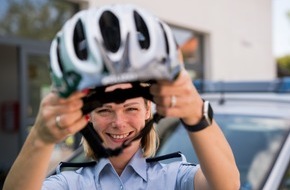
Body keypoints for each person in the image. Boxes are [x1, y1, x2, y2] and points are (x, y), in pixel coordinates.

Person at [3, 4, 240, 190]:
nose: (118, 122)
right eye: (104, 110)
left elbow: (227, 186)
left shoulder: (175, 176)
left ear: (149, 111)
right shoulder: (71, 183)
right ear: (89, 117)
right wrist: (41, 138)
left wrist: (196, 113)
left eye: (131, 109)